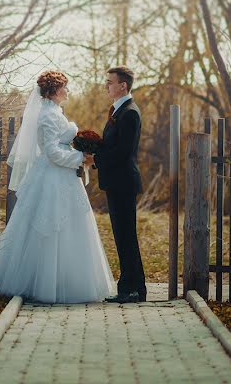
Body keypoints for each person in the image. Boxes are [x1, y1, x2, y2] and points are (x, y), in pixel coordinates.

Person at [0, 71, 115, 303]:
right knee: (51, 226)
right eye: (64, 87)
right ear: (53, 91)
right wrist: (80, 158)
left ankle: (63, 279)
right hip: (52, 178)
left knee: (66, 227)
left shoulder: (53, 112)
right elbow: (52, 152)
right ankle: (46, 283)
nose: (67, 91)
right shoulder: (47, 116)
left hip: (60, 176)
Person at [94, 66, 146, 303]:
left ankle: (132, 290)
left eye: (110, 82)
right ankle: (133, 288)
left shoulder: (130, 113)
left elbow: (124, 151)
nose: (107, 85)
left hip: (124, 182)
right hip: (116, 182)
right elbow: (112, 145)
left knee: (126, 236)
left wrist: (95, 159)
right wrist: (92, 148)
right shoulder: (119, 110)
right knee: (122, 236)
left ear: (123, 85)